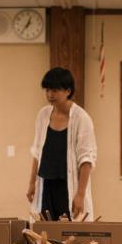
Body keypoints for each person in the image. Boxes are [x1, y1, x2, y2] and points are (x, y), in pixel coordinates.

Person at [27, 67, 97, 221]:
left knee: (69, 231)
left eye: (55, 90)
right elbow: (37, 152)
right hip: (46, 185)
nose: (50, 95)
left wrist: (80, 194)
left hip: (68, 186)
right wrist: (32, 183)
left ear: (68, 90)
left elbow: (87, 160)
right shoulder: (43, 115)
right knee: (45, 232)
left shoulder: (81, 118)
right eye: (47, 90)